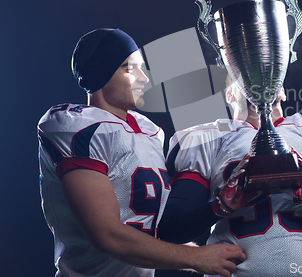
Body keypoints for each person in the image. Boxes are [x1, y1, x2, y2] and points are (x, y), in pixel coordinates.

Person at [38, 29, 245, 277]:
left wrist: (208, 251)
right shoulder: (76, 128)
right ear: (100, 73)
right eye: (129, 68)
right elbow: (107, 236)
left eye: (142, 68)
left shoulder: (149, 132)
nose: (144, 78)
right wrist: (197, 257)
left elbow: (146, 227)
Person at [158, 76, 302, 277]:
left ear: (282, 90)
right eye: (244, 74)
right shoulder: (207, 138)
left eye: (269, 72)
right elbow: (170, 229)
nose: (259, 78)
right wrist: (219, 207)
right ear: (229, 95)